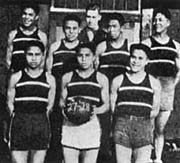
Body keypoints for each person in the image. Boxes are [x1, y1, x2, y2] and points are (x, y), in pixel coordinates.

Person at [110, 43, 161, 163]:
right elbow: (113, 107)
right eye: (133, 57)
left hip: (143, 126)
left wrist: (141, 121)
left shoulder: (153, 83)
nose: (135, 61)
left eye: (140, 58)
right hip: (122, 126)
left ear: (147, 61)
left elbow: (155, 110)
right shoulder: (118, 80)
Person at [7, 40, 56, 163]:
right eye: (30, 54)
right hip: (20, 123)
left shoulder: (49, 79)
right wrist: (19, 118)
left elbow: (50, 105)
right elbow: (10, 103)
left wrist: (39, 119)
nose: (33, 58)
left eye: (37, 54)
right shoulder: (16, 77)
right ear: (25, 55)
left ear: (43, 56)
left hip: (40, 124)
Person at [60, 42, 109, 163]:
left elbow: (107, 105)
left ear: (93, 57)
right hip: (70, 126)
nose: (83, 59)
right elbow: (61, 102)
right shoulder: (67, 77)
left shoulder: (101, 78)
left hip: (90, 126)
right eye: (80, 55)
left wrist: (95, 110)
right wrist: (66, 112)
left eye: (87, 55)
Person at [142, 8, 180, 163]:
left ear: (168, 23)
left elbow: (179, 70)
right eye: (155, 20)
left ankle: (157, 159)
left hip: (166, 90)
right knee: (147, 127)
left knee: (160, 128)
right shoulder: (146, 43)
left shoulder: (176, 46)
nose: (157, 23)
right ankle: (145, 158)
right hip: (150, 91)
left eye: (160, 20)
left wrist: (172, 85)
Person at [46, 14, 82, 162]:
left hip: (77, 97)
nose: (71, 32)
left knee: (76, 133)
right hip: (57, 96)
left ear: (79, 30)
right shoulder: (55, 47)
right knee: (57, 131)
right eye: (68, 28)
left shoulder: (83, 49)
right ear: (63, 29)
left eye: (74, 28)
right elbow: (48, 74)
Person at [6, 3, 47, 73]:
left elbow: (42, 60)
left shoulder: (41, 36)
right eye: (25, 14)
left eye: (30, 15)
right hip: (16, 75)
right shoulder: (13, 34)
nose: (27, 17)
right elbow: (8, 58)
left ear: (36, 17)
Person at [96, 13, 130, 81]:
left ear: (122, 28)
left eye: (114, 26)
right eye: (109, 26)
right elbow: (95, 70)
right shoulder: (101, 47)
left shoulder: (129, 47)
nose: (111, 30)